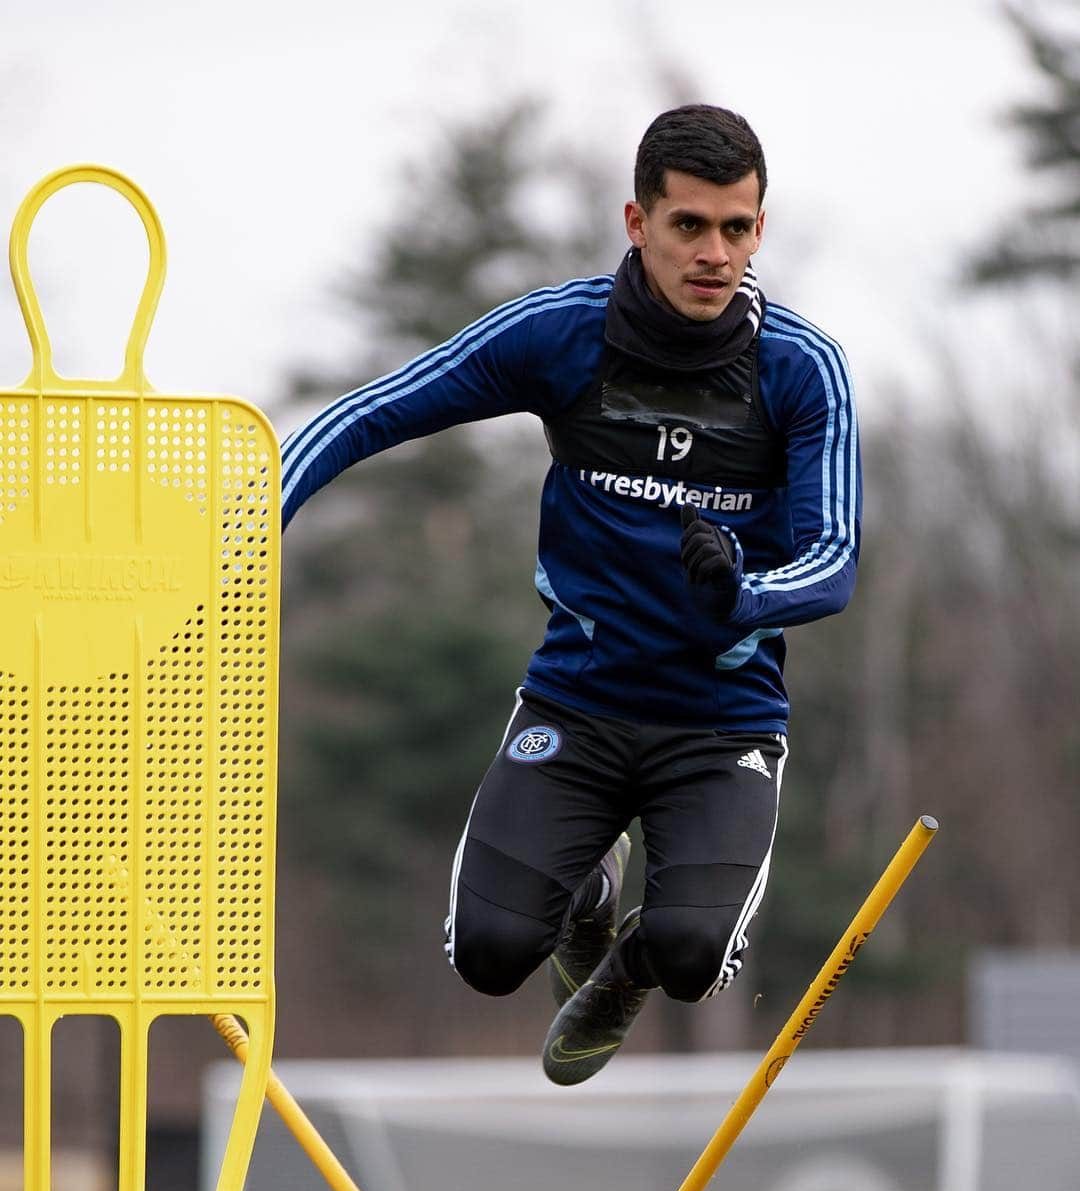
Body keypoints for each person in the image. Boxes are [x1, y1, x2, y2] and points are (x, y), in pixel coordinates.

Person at [280, 105, 860, 1085]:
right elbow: (371, 414)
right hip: (577, 703)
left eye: (738, 228)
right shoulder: (560, 334)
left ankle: (628, 961)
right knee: (489, 956)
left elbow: (834, 559)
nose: (714, 253)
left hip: (721, 727)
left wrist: (746, 597)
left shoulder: (801, 368)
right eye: (689, 226)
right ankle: (586, 897)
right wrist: (248, 523)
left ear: (760, 228)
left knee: (690, 958)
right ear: (637, 223)